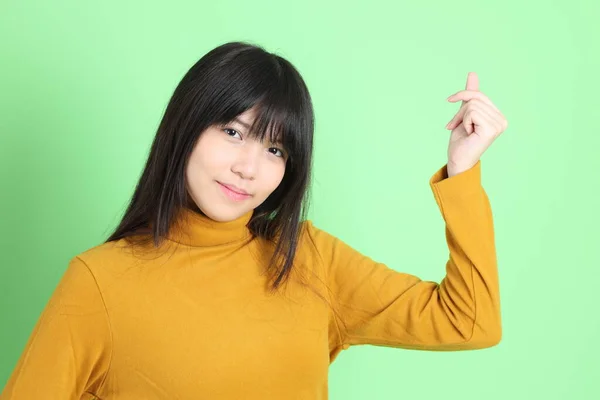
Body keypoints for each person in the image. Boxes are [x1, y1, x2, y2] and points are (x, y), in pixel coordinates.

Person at [0, 41, 508, 399]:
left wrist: (463, 172)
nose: (249, 169)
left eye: (275, 148)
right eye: (233, 131)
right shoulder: (99, 282)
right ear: (187, 126)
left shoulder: (307, 258)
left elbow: (470, 322)